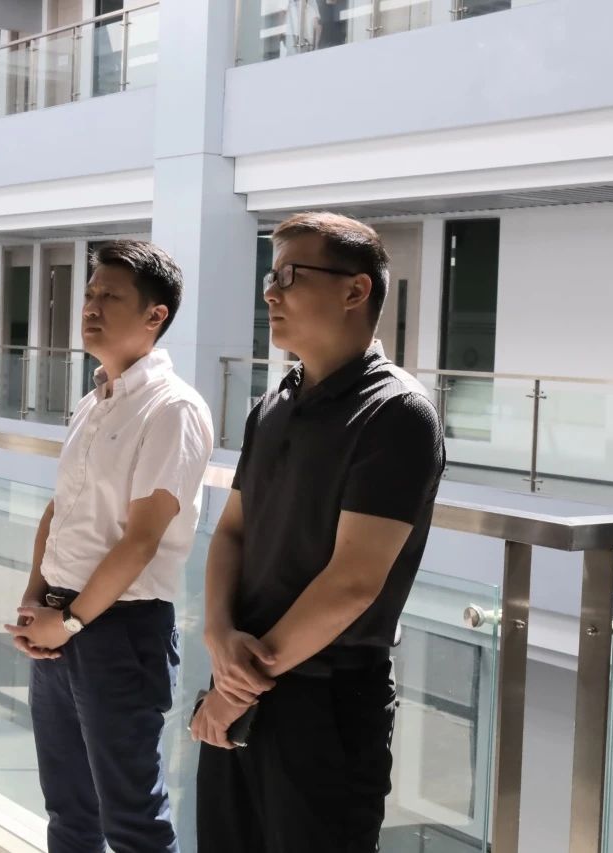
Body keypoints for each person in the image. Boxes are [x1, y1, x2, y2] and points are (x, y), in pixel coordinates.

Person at [190, 212, 445, 852]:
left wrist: (236, 686)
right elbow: (232, 533)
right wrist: (218, 636)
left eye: (288, 276)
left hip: (326, 702)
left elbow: (353, 582)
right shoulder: (273, 404)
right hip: (241, 680)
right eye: (269, 277)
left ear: (355, 290)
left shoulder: (397, 413)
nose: (269, 293)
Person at [5, 240, 214, 853]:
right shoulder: (94, 401)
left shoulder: (173, 408)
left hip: (120, 631)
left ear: (155, 315)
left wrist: (69, 621)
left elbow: (141, 540)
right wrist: (35, 602)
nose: (90, 307)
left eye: (110, 297)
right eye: (90, 294)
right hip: (59, 619)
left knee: (132, 821)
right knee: (68, 812)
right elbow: (60, 510)